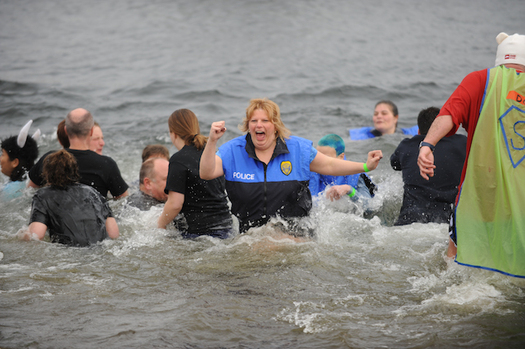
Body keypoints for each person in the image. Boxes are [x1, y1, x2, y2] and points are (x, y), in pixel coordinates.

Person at [417, 32, 525, 278]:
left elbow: (449, 114)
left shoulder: (480, 80)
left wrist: (427, 145)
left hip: (481, 190)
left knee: (457, 257)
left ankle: (453, 287)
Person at [200, 98, 383, 234]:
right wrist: (212, 141)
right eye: (253, 121)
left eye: (265, 120)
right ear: (248, 125)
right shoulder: (233, 150)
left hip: (297, 236)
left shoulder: (298, 149)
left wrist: (365, 166)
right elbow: (206, 172)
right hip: (250, 237)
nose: (258, 125)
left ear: (276, 126)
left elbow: (329, 165)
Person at [158, 109, 233, 239]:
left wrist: (159, 225)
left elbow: (175, 204)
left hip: (199, 233)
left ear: (173, 133)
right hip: (227, 226)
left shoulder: (178, 160)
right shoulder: (211, 152)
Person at [18, 149, 119, 246]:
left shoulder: (43, 195)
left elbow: (36, 235)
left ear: (47, 173)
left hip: (70, 254)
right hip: (99, 250)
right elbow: (114, 234)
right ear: (75, 170)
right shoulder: (93, 192)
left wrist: (21, 235)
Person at [28, 108, 129, 199]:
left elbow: (29, 192)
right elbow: (124, 201)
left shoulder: (49, 159)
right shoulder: (106, 164)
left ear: (66, 130)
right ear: (91, 131)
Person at [391, 107, 466, 225]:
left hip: (409, 220)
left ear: (419, 131)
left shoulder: (406, 145)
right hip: (447, 222)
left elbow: (395, 165)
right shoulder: (463, 143)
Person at [309, 134, 376, 203]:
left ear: (341, 157)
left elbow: (369, 208)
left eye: (326, 157)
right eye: (319, 156)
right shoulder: (311, 172)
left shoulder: (356, 175)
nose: (320, 161)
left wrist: (349, 190)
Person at [1, 120, 39, 200]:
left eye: (3, 154)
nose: (0, 158)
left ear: (15, 162)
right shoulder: (33, 183)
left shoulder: (10, 190)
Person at [349, 100, 419, 140]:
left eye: (384, 113)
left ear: (395, 118)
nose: (379, 116)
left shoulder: (409, 134)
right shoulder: (360, 135)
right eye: (375, 114)